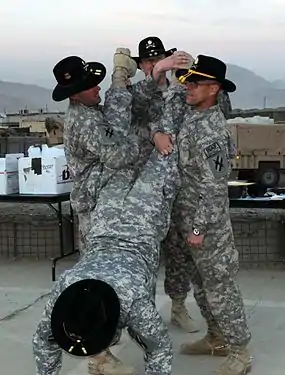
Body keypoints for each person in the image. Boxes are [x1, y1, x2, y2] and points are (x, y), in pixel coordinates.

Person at [32, 113, 181, 375]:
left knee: (166, 152)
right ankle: (154, 98)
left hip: (141, 220)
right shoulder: (65, 291)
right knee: (125, 163)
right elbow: (42, 341)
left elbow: (159, 349)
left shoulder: (133, 302)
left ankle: (169, 93)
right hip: (106, 220)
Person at [152, 54, 252, 375]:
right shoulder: (191, 115)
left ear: (214, 89)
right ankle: (216, 336)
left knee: (221, 288)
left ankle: (239, 352)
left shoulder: (212, 133)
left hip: (207, 228)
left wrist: (197, 230)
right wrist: (163, 70)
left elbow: (213, 188)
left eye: (195, 83)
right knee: (201, 284)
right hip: (187, 222)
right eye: (187, 80)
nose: (187, 87)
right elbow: (167, 103)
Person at [51, 50, 142, 375]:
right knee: (95, 281)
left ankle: (101, 344)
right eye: (91, 86)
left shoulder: (91, 111)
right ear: (74, 93)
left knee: (105, 280)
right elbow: (117, 154)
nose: (97, 89)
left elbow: (115, 121)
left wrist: (122, 81)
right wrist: (147, 140)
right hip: (94, 211)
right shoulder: (84, 121)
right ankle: (98, 357)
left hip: (103, 206)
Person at [130, 37, 198, 333]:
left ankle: (179, 306)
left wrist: (192, 72)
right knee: (142, 251)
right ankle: (139, 313)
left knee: (179, 249)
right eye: (147, 61)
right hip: (145, 188)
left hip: (178, 183)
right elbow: (126, 124)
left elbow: (213, 109)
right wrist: (152, 133)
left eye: (158, 59)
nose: (152, 65)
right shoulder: (136, 94)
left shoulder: (183, 90)